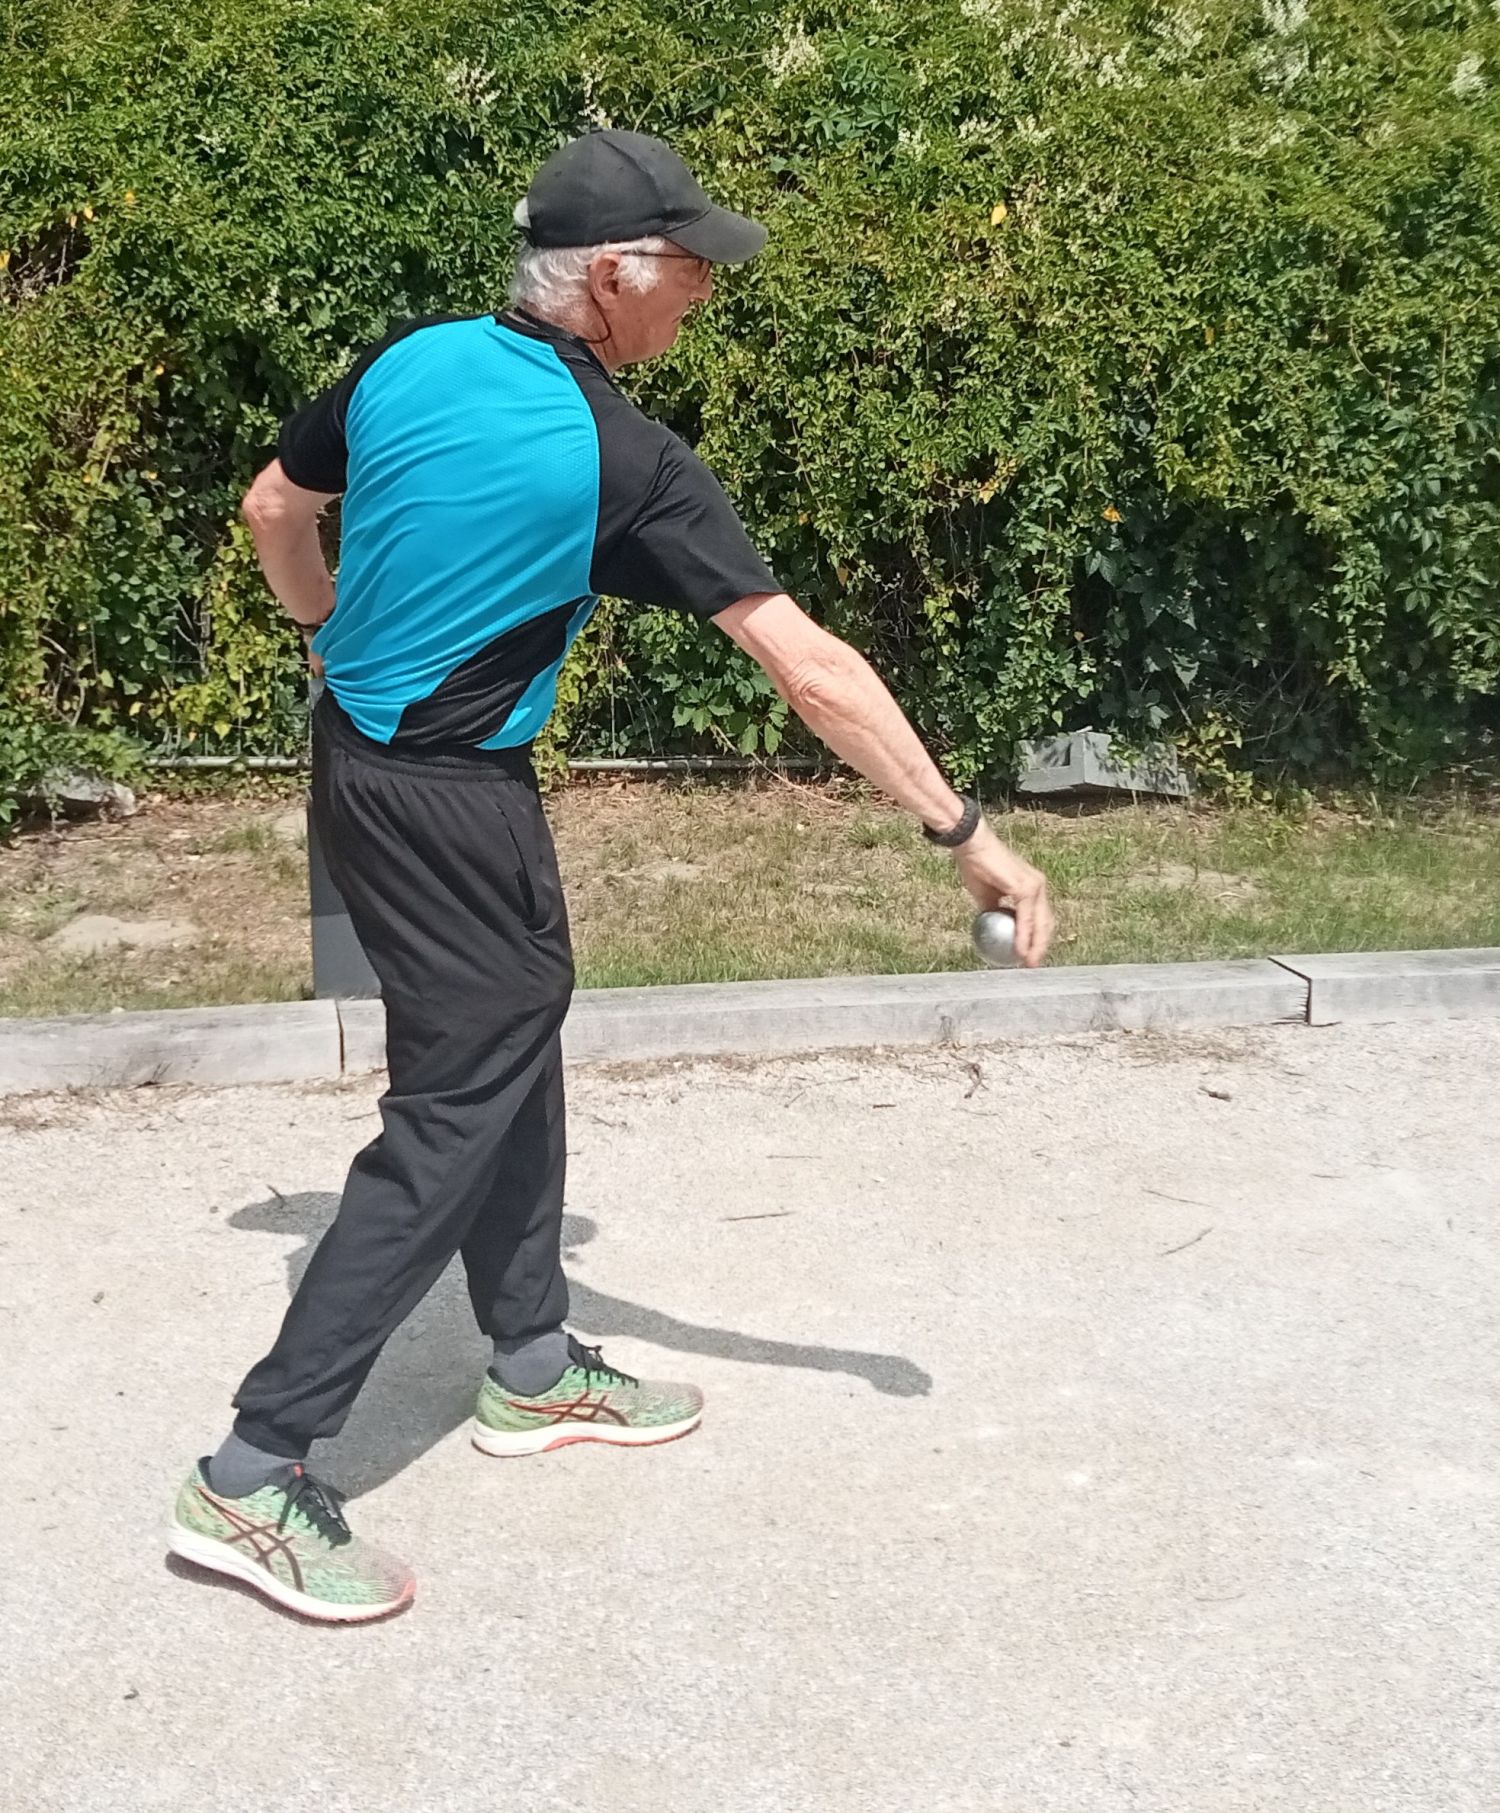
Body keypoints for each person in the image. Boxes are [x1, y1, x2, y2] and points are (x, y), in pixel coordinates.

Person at [167, 129, 1053, 1622]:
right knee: (451, 1111)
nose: (703, 291)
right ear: (614, 274)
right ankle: (252, 1472)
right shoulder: (621, 460)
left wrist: (323, 634)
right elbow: (811, 671)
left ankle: (528, 1362)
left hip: (370, 766)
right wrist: (970, 837)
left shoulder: (408, 361)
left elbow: (274, 509)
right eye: (689, 267)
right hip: (451, 799)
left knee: (516, 1026)